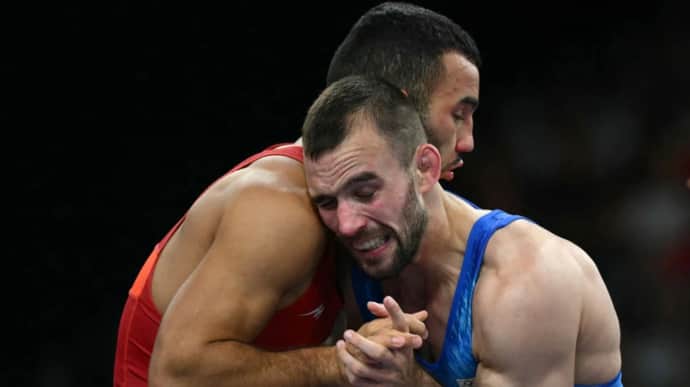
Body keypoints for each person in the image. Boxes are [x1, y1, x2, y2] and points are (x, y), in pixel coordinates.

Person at [114, 1, 474, 385]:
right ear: (396, 105)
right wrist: (341, 363)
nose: (468, 140)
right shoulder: (281, 211)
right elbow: (175, 375)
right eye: (458, 114)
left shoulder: (359, 218)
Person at [301, 75, 624, 386]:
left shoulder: (528, 279)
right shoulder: (348, 261)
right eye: (328, 202)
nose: (347, 224)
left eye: (366, 193)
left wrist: (413, 383)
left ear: (425, 169)